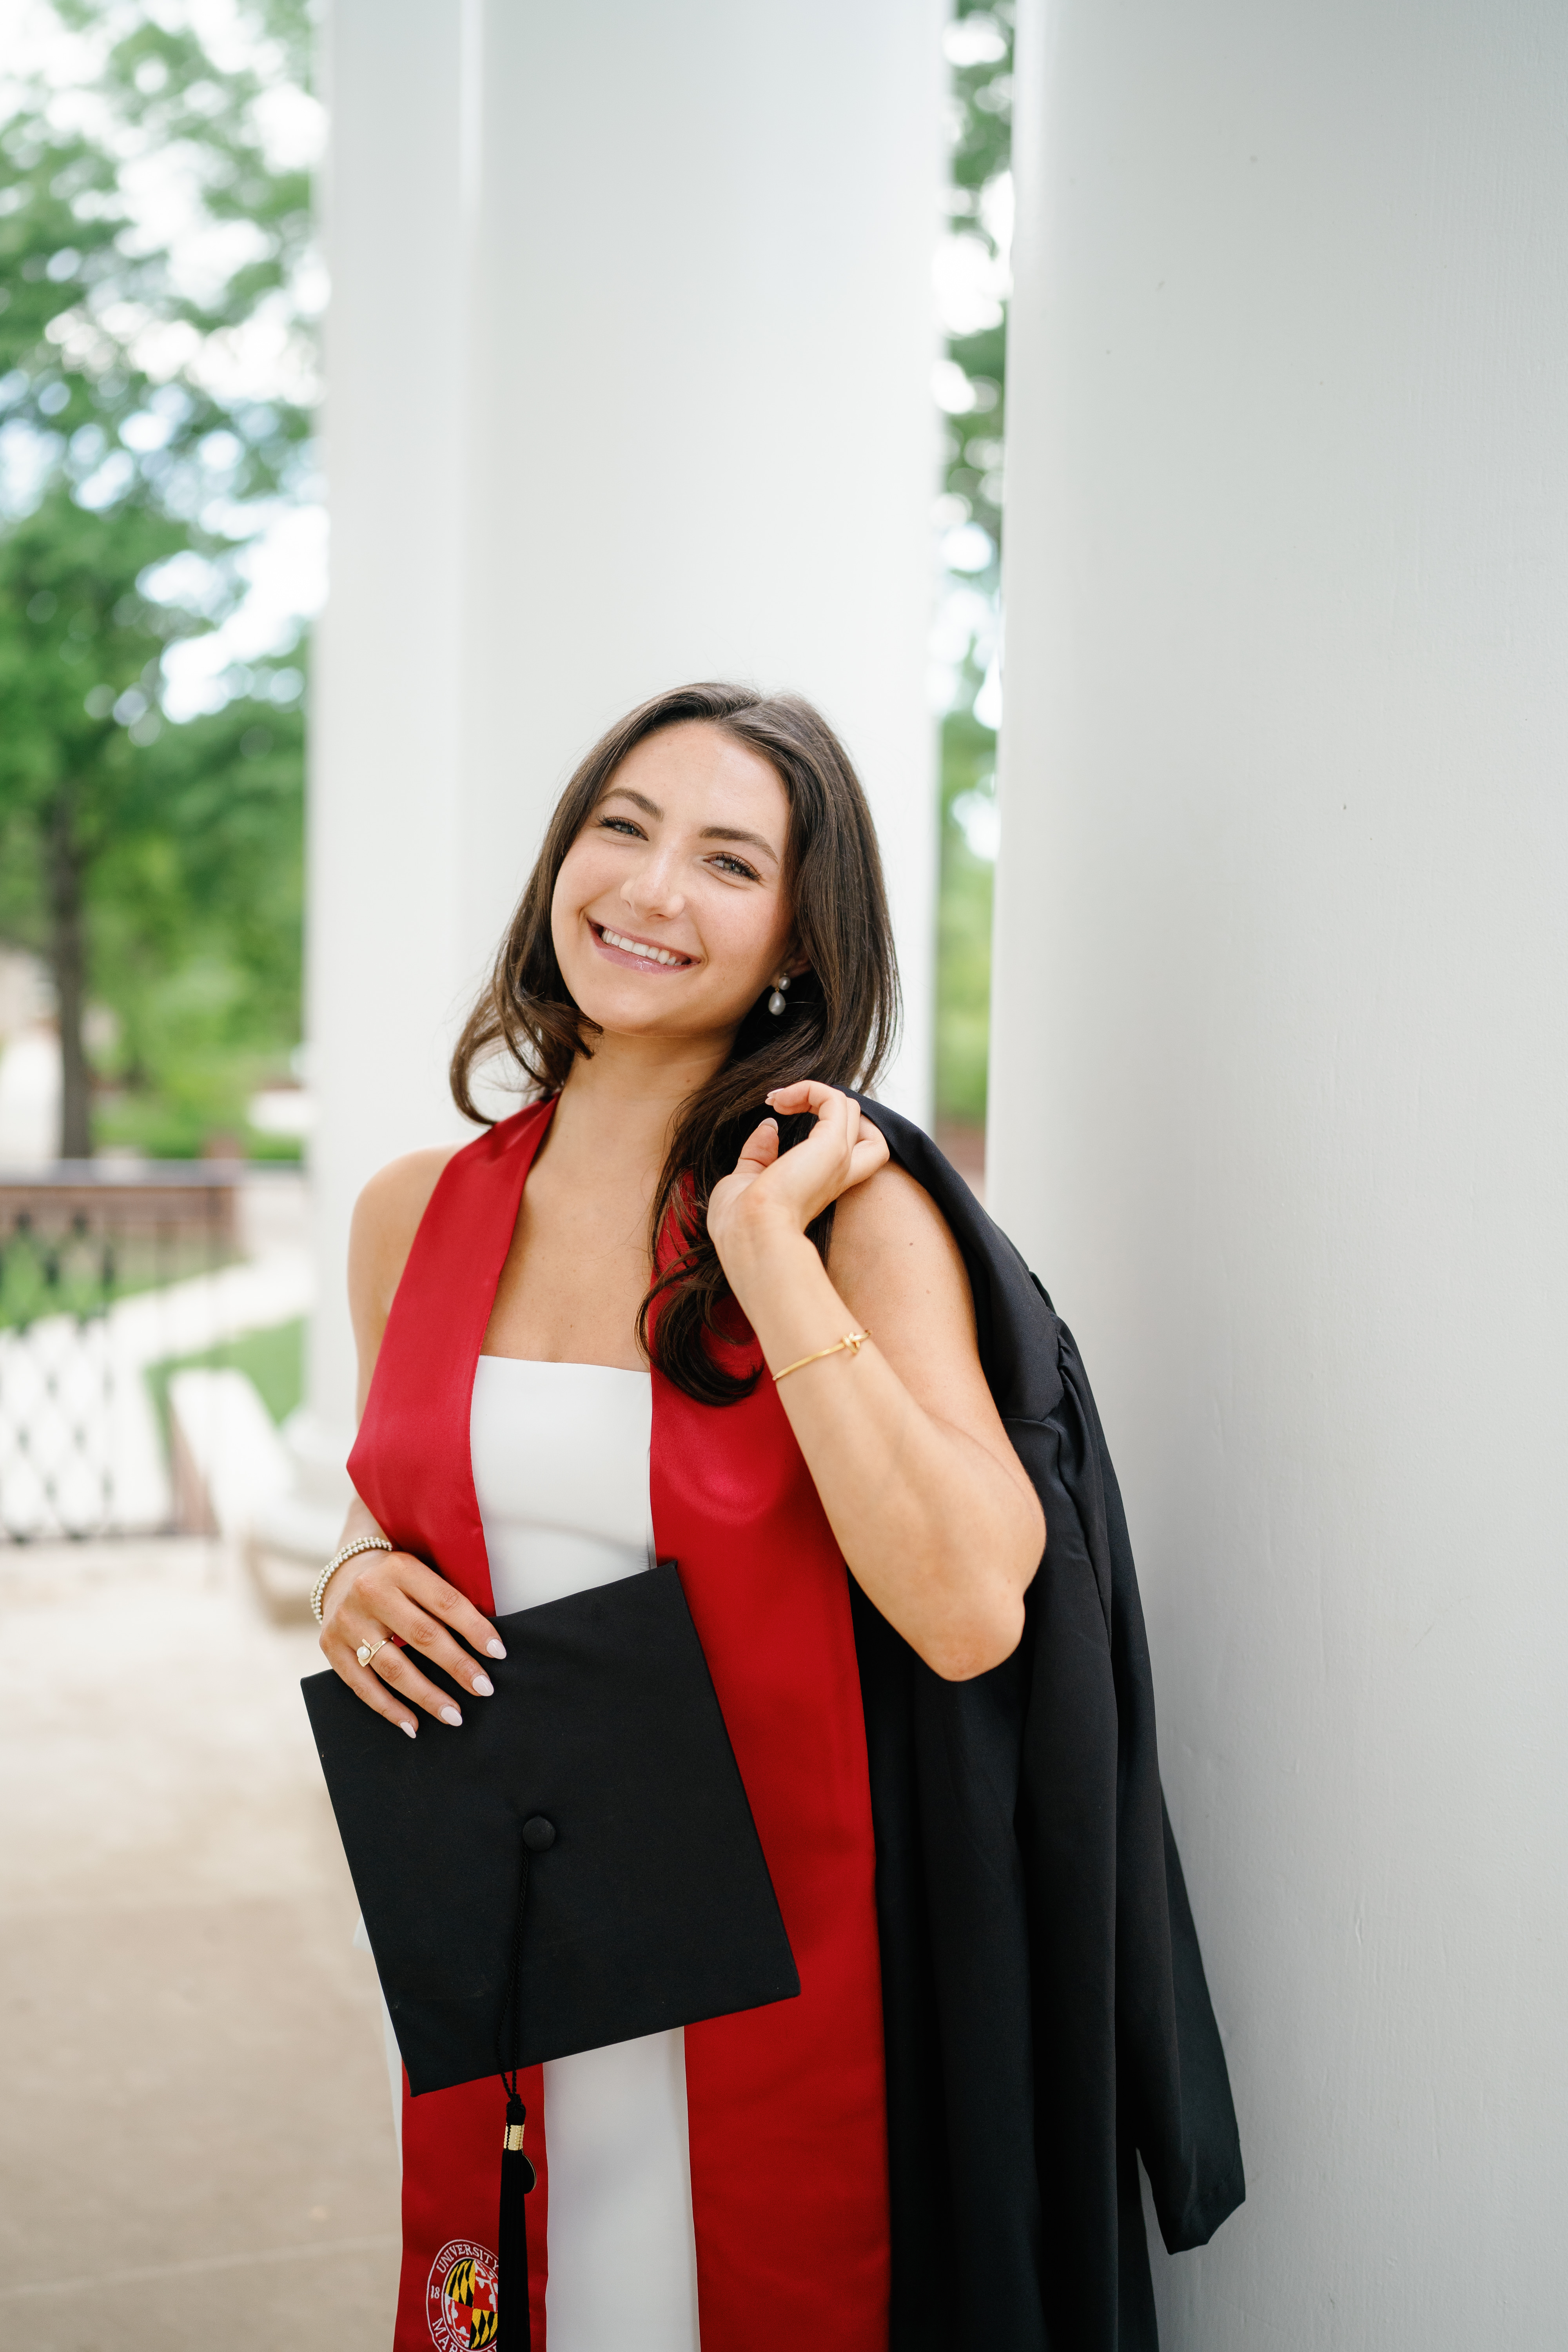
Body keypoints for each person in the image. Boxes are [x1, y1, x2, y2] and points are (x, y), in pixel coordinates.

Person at [314, 682, 1242, 2352]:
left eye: (727, 861)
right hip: (520, 1953)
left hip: (779, 1985)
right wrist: (357, 1578)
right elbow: (424, 1512)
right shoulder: (411, 1214)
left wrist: (756, 1254)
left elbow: (971, 1603)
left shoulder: (848, 1214)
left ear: (799, 943)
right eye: (622, 826)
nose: (651, 889)